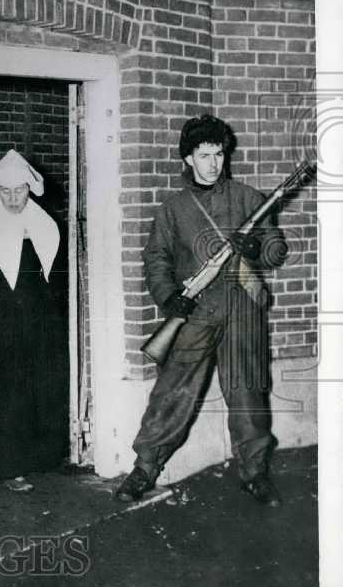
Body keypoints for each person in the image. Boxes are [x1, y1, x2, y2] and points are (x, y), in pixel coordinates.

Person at [114, 115, 289, 507]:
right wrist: (168, 297)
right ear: (189, 159)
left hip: (242, 311)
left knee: (248, 395)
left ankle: (255, 473)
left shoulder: (248, 198)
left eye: (219, 154)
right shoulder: (173, 209)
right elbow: (155, 258)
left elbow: (276, 248)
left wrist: (257, 250)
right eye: (205, 155)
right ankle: (144, 468)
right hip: (193, 314)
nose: (214, 163)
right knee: (172, 394)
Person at [0, 149, 68, 492]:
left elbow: (58, 276)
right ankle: (8, 467)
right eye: (5, 191)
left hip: (40, 322)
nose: (13, 197)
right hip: (1, 323)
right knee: (9, 396)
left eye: (19, 190)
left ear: (30, 187)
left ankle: (41, 458)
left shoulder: (45, 224)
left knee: (42, 388)